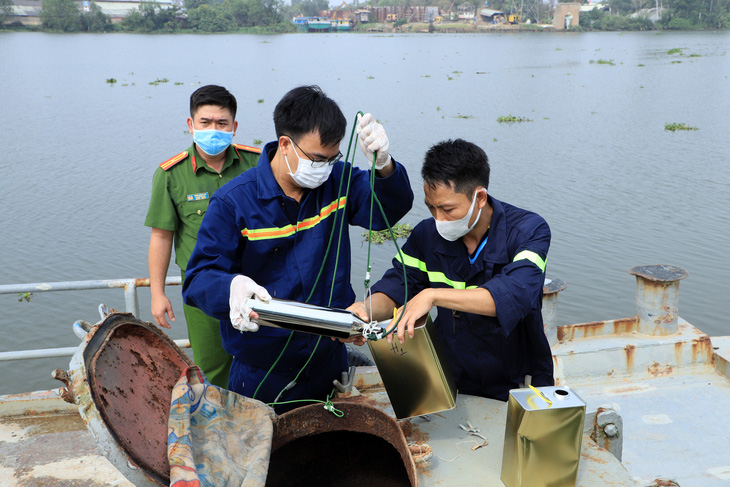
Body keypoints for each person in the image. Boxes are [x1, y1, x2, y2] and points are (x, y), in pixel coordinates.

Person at [182, 85, 414, 411]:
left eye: (333, 159)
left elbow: (388, 211)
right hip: (262, 372)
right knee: (266, 455)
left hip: (329, 359)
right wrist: (230, 287)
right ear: (286, 145)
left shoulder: (337, 182)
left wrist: (385, 167)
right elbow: (198, 280)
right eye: (317, 159)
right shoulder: (234, 203)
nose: (324, 168)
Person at [349, 139, 554, 401]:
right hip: (453, 379)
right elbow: (396, 288)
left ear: (479, 197)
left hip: (520, 381)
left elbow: (513, 296)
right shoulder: (426, 235)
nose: (439, 219)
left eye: (447, 209)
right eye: (431, 208)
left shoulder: (529, 231)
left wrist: (432, 295)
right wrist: (364, 311)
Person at [145, 85, 260, 389]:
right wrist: (157, 293)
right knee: (211, 364)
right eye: (205, 122)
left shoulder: (259, 165)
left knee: (263, 355)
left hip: (256, 280)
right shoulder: (171, 174)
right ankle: (222, 425)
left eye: (221, 124)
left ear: (234, 127)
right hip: (203, 287)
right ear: (191, 125)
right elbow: (161, 237)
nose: (213, 130)